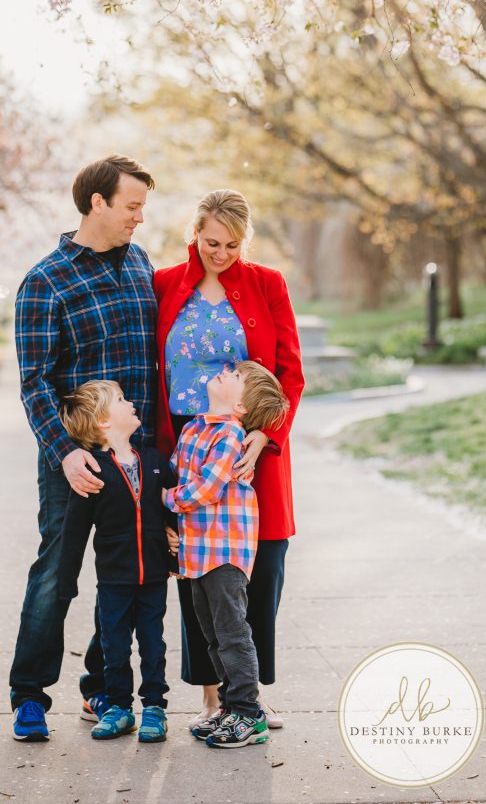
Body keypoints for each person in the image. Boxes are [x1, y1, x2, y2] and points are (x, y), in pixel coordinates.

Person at [9, 155, 157, 742]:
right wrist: (64, 452)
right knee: (57, 577)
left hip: (135, 458)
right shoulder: (45, 282)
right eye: (132, 206)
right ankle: (28, 696)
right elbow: (34, 381)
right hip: (74, 460)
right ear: (97, 203)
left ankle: (102, 685)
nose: (140, 219)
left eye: (142, 207)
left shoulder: (141, 263)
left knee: (128, 576)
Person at [154, 189, 305, 730]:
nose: (220, 253)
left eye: (232, 245)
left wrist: (265, 437)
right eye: (211, 241)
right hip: (187, 451)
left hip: (251, 449)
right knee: (198, 571)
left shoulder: (267, 283)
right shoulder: (165, 284)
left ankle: (251, 695)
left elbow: (290, 372)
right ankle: (213, 697)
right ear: (195, 232)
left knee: (259, 571)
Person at [164, 360, 288, 748]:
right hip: (197, 552)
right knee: (213, 636)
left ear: (242, 409)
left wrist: (162, 500)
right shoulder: (195, 428)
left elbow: (205, 489)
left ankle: (249, 715)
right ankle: (230, 708)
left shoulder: (231, 435)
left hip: (225, 551)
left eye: (237, 376)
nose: (227, 370)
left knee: (233, 634)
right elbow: (178, 469)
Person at [58, 380, 176, 744]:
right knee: (115, 646)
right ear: (104, 423)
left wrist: (176, 542)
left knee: (153, 644)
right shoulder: (94, 473)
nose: (132, 403)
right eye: (122, 400)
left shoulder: (155, 462)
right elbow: (74, 531)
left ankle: (155, 708)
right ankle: (119, 710)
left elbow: (173, 512)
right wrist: (66, 580)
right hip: (113, 581)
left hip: (154, 577)